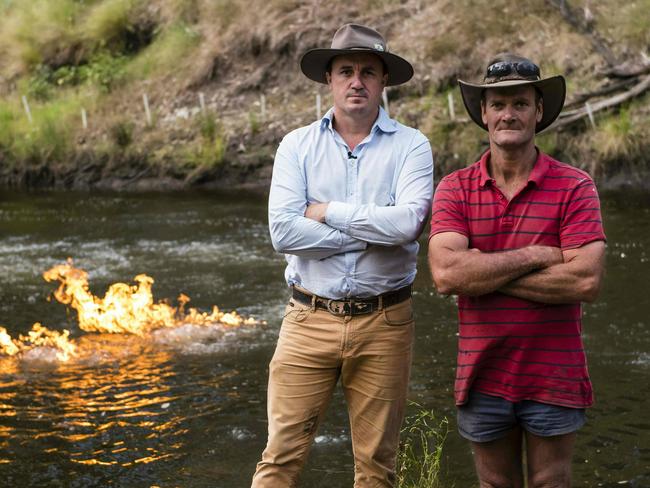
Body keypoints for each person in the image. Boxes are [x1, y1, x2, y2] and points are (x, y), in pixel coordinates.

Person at [251, 23, 433, 487]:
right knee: (279, 458)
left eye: (368, 72)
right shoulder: (297, 146)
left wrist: (327, 212)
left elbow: (409, 224)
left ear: (383, 81)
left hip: (386, 322)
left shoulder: (412, 146)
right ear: (329, 79)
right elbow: (283, 232)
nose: (357, 81)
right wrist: (374, 230)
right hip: (307, 318)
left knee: (376, 468)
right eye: (346, 71)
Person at [428, 53, 606, 488]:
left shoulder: (575, 185)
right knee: (495, 485)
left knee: (551, 482)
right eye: (499, 104)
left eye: (520, 103)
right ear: (484, 114)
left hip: (555, 372)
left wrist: (485, 273)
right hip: (482, 371)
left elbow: (585, 279)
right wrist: (538, 255)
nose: (509, 114)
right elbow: (448, 276)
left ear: (538, 111)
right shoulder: (455, 187)